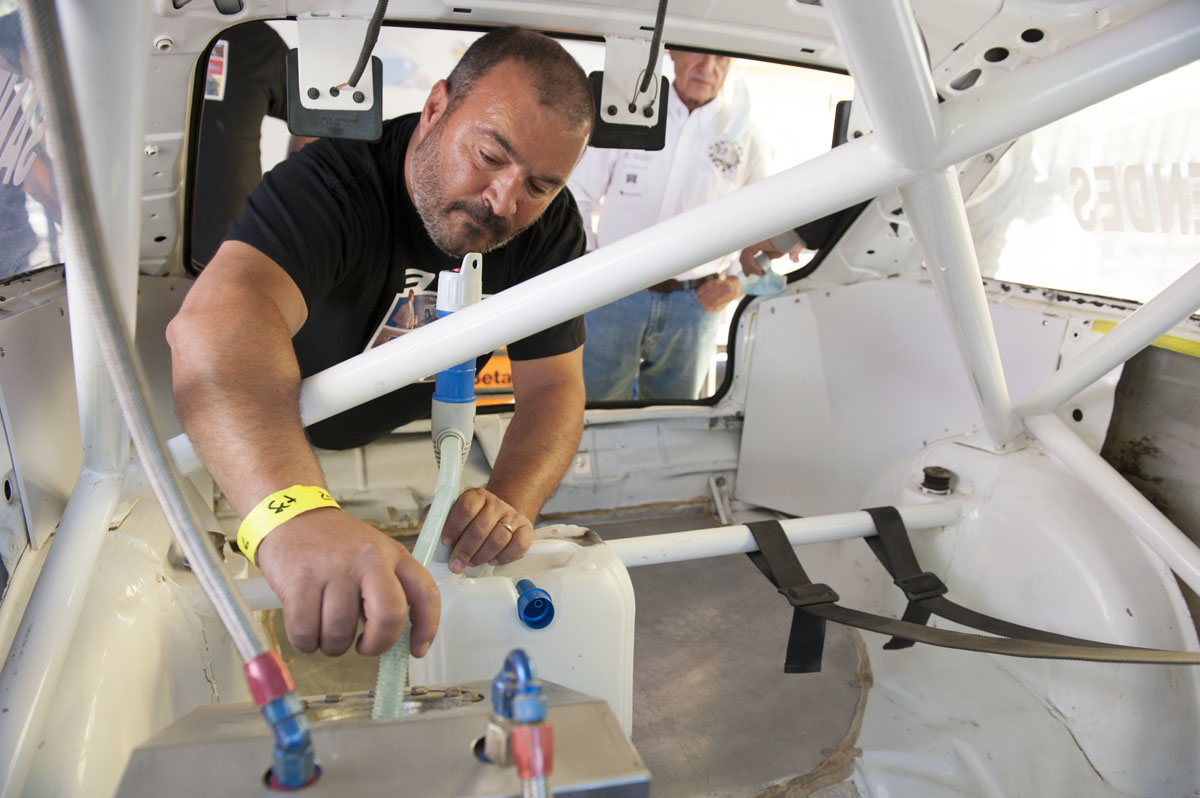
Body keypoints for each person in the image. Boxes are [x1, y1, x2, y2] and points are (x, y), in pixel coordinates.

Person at [167, 27, 594, 659]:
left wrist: (510, 502)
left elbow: (554, 384)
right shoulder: (336, 180)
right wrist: (294, 517)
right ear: (435, 107)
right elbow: (215, 325)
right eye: (489, 155)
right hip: (270, 433)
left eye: (539, 185)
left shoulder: (549, 227)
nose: (503, 201)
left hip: (407, 430)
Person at [568, 50, 768, 401]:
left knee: (673, 418)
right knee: (594, 410)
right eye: (698, 52)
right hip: (615, 294)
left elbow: (766, 220)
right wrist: (590, 261)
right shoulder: (629, 118)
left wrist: (738, 283)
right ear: (673, 52)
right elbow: (577, 193)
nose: (707, 67)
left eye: (721, 57)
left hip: (696, 306)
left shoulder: (746, 139)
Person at [191, 20, 316, 271]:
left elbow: (313, 117)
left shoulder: (254, 38)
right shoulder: (122, 33)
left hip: (230, 251)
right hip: (123, 242)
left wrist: (292, 197)